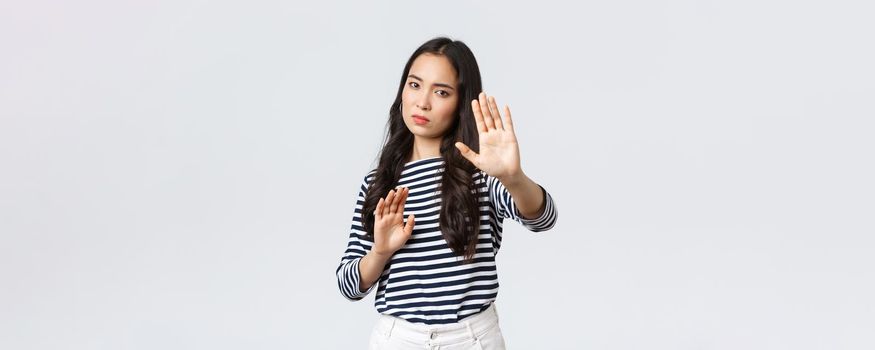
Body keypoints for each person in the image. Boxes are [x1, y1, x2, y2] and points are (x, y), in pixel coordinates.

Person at [335, 36, 558, 350]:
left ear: (461, 102)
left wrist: (514, 177)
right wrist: (381, 251)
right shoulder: (378, 183)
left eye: (441, 92)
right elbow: (348, 284)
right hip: (398, 340)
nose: (422, 102)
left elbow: (543, 218)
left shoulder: (480, 169)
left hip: (471, 339)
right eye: (414, 85)